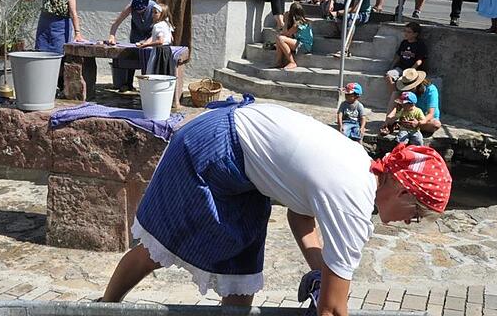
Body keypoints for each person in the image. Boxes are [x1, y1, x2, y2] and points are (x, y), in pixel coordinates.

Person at [100, 96, 453, 308]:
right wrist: (326, 286)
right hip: (210, 147)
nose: (412, 222)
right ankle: (103, 308)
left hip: (243, 165)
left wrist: (318, 271)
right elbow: (332, 310)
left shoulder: (359, 168)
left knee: (242, 267)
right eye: (418, 214)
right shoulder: (354, 198)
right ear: (405, 190)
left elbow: (301, 218)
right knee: (163, 244)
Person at [16, 0, 84, 54]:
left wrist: (77, 33)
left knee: (59, 55)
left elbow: (73, 13)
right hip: (44, 29)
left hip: (61, 30)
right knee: (41, 54)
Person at [108, 0, 159, 91]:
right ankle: (128, 83)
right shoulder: (131, 6)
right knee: (131, 56)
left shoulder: (154, 8)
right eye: (137, 10)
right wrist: (112, 36)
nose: (139, 12)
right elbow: (116, 22)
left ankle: (147, 85)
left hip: (151, 33)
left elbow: (159, 30)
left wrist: (147, 42)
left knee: (148, 58)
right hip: (137, 32)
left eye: (142, 10)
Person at [391, 69, 442, 135]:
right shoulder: (404, 90)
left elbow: (430, 113)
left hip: (425, 118)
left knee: (436, 124)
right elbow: (394, 108)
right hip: (409, 116)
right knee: (395, 94)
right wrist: (389, 121)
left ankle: (407, 126)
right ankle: (406, 125)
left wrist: (419, 123)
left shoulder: (431, 90)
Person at [385, 22, 427, 92]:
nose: (406, 33)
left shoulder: (420, 44)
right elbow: (398, 56)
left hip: (412, 70)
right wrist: (392, 67)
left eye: (409, 32)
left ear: (415, 34)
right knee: (388, 76)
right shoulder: (404, 43)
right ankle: (395, 94)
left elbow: (419, 61)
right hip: (401, 68)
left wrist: (411, 70)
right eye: (405, 31)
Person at [274, 2, 312, 70]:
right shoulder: (300, 21)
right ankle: (279, 62)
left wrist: (286, 20)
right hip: (300, 43)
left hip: (304, 46)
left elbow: (285, 34)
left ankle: (292, 62)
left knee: (280, 38)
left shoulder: (298, 24)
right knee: (279, 39)